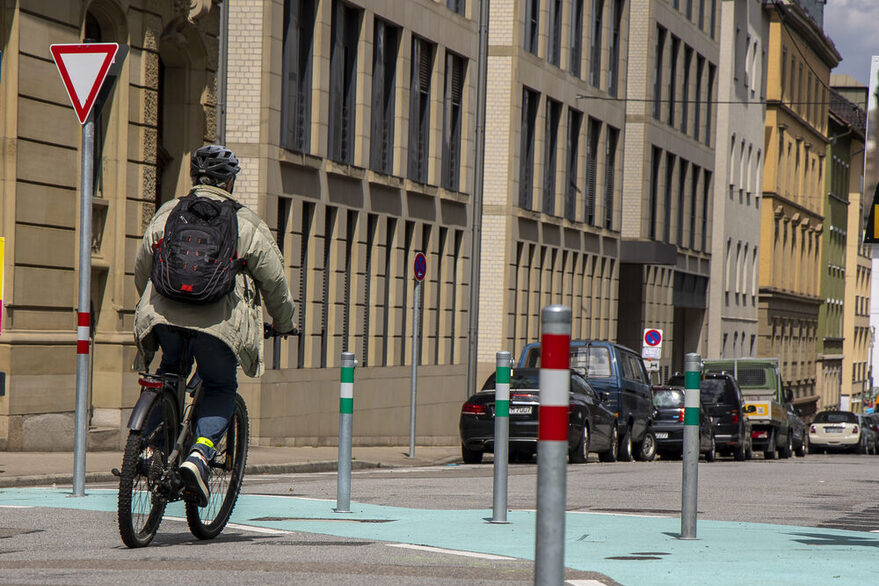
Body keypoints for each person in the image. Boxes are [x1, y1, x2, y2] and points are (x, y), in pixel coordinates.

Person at [133, 144, 297, 505]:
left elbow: (143, 265)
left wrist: (153, 303)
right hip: (217, 325)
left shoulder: (168, 213)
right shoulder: (246, 223)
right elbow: (274, 282)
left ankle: (147, 449)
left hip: (163, 317)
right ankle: (199, 455)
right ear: (230, 181)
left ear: (195, 177)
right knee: (222, 386)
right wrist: (284, 323)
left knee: (169, 370)